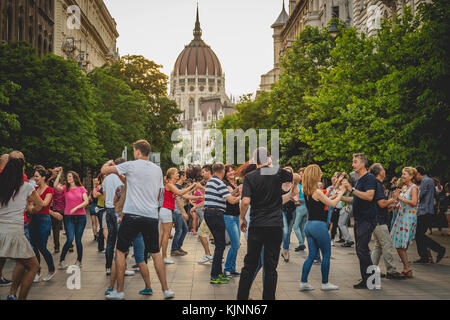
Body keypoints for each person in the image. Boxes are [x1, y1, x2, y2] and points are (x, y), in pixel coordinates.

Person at [101, 139, 174, 300]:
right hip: (151, 216)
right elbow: (160, 194)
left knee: (120, 251)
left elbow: (104, 170)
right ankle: (166, 290)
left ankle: (119, 291)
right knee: (155, 253)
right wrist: (153, 207)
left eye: (134, 151)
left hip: (132, 215)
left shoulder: (131, 165)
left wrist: (111, 162)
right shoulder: (157, 169)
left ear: (138, 152)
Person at [237, 148, 294, 300]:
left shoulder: (250, 177)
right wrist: (293, 190)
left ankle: (241, 299)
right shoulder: (277, 173)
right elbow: (296, 177)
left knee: (249, 265)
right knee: (271, 267)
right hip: (275, 225)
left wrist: (242, 218)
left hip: (257, 224)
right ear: (269, 158)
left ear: (254, 160)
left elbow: (246, 201)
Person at [0, 156, 43, 300]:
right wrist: (29, 209)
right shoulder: (26, 187)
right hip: (15, 232)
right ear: (21, 170)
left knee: (22, 261)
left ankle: (12, 294)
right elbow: (40, 205)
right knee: (33, 266)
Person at [298, 164, 346, 291]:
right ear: (315, 175)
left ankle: (303, 282)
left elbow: (324, 201)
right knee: (326, 255)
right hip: (319, 226)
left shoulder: (307, 190)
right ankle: (325, 283)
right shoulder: (317, 192)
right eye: (319, 172)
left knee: (311, 255)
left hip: (309, 225)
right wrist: (341, 193)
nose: (321, 174)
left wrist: (334, 194)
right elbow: (332, 204)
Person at [343, 154, 378, 289]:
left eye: (355, 162)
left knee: (362, 250)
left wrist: (351, 189)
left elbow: (369, 196)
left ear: (363, 164)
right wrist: (340, 199)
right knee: (360, 250)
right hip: (359, 219)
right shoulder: (360, 180)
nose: (353, 164)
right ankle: (367, 280)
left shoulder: (369, 178)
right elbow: (356, 199)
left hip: (367, 219)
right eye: (353, 162)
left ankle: (371, 281)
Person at [203, 163, 241, 284]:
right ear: (223, 171)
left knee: (220, 245)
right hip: (216, 214)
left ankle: (218, 273)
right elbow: (232, 200)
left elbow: (228, 196)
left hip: (210, 214)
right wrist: (244, 195)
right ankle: (215, 275)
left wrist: (236, 192)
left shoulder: (212, 182)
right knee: (220, 245)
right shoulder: (219, 183)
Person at [368, 163, 405, 279]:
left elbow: (380, 204)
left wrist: (390, 205)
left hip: (375, 219)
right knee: (387, 245)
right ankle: (391, 271)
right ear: (379, 172)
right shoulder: (377, 184)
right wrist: (393, 199)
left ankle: (371, 270)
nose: (385, 171)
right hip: (379, 220)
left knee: (378, 246)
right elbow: (381, 203)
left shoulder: (375, 184)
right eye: (383, 169)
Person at [30, 167, 62, 283]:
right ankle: (37, 272)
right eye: (34, 176)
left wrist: (32, 205)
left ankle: (51, 269)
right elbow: (31, 204)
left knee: (41, 246)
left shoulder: (49, 190)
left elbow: (44, 204)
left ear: (43, 177)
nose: (35, 178)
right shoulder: (35, 189)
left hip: (43, 220)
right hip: (33, 219)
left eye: (37, 176)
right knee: (33, 246)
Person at [160, 168, 198, 264]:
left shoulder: (171, 185)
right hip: (166, 210)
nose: (178, 175)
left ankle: (159, 255)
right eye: (177, 173)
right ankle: (163, 257)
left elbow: (183, 196)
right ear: (172, 175)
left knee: (162, 235)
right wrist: (193, 185)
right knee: (165, 235)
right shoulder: (169, 185)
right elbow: (180, 193)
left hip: (166, 211)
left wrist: (197, 195)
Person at [53, 168, 89, 269]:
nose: (68, 178)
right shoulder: (65, 188)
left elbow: (86, 201)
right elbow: (55, 186)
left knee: (78, 240)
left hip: (81, 217)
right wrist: (59, 174)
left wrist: (77, 207)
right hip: (68, 217)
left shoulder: (81, 188)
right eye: (67, 176)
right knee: (69, 239)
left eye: (69, 176)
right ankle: (62, 261)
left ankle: (79, 261)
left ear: (74, 178)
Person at [391, 167, 419, 277]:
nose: (402, 176)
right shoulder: (404, 187)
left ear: (411, 176)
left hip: (408, 218)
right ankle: (407, 268)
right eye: (402, 174)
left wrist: (400, 199)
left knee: (401, 244)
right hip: (401, 216)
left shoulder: (414, 188)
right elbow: (402, 202)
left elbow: (414, 202)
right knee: (399, 243)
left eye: (405, 174)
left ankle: (407, 268)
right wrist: (395, 205)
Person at [414, 167, 446, 264]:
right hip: (426, 211)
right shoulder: (429, 181)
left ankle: (439, 249)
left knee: (418, 235)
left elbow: (419, 196)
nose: (415, 178)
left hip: (425, 211)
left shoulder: (425, 181)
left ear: (419, 173)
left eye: (415, 175)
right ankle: (424, 257)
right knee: (419, 235)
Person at [191, 165, 215, 264]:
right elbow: (206, 199)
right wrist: (195, 207)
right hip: (210, 212)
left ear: (209, 171)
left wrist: (200, 187)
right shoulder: (210, 182)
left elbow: (212, 195)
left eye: (203, 172)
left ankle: (209, 255)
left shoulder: (212, 181)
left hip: (212, 212)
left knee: (201, 233)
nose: (202, 174)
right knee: (214, 237)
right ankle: (216, 256)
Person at [223, 165, 244, 276]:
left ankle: (232, 268)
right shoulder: (226, 185)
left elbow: (236, 194)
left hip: (236, 217)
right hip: (229, 216)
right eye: (229, 171)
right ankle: (227, 268)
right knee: (235, 244)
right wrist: (240, 190)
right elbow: (231, 197)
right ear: (225, 174)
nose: (231, 172)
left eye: (232, 170)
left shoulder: (235, 183)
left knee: (236, 244)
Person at [170, 171, 191, 256]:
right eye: (184, 175)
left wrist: (198, 197)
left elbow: (185, 196)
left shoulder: (179, 187)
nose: (185, 177)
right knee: (179, 230)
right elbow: (178, 200)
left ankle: (178, 247)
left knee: (184, 230)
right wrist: (184, 212)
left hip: (179, 212)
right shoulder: (175, 186)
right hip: (177, 212)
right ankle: (174, 249)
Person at [280, 167, 298, 262]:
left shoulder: (293, 185)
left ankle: (284, 250)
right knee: (285, 231)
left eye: (289, 173)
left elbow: (296, 197)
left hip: (292, 211)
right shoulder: (278, 184)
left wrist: (294, 198)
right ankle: (285, 251)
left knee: (288, 233)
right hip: (281, 210)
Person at [48, 168, 65, 254]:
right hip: (65, 210)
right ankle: (70, 245)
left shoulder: (52, 189)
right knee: (68, 229)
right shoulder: (64, 188)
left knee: (56, 230)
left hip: (56, 209)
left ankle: (57, 247)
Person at [293, 168, 308, 252]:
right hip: (306, 208)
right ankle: (302, 244)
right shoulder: (305, 185)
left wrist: (295, 201)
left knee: (295, 227)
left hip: (300, 207)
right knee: (302, 227)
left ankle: (301, 243)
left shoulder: (298, 186)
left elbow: (298, 199)